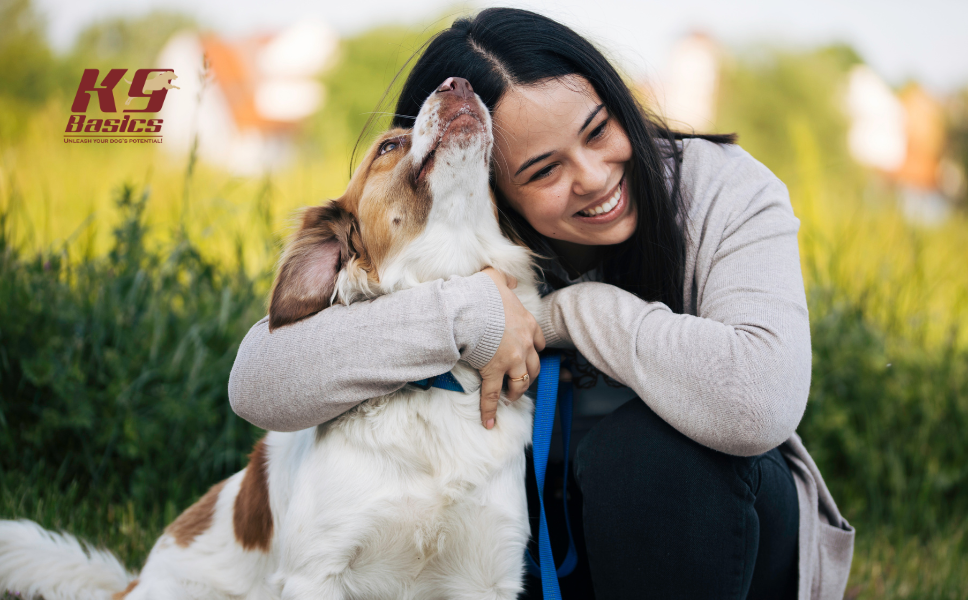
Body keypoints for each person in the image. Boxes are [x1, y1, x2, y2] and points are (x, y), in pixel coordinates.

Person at [228, 8, 854, 600]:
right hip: (533, 559)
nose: (593, 177)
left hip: (718, 542)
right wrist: (468, 312)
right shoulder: (468, 244)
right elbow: (260, 381)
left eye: (599, 130)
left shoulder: (725, 189)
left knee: (644, 450)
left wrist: (568, 315)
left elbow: (759, 399)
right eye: (544, 171)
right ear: (486, 181)